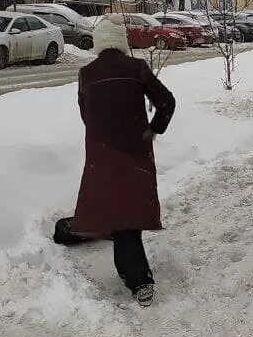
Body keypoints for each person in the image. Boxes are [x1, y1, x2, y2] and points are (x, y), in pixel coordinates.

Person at [68, 15, 176, 307]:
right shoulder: (137, 68)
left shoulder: (86, 74)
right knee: (127, 213)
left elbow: (85, 116)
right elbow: (167, 102)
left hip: (102, 155)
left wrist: (104, 134)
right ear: (122, 43)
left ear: (99, 44)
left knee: (115, 212)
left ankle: (135, 275)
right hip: (136, 152)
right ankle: (140, 279)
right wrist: (153, 130)